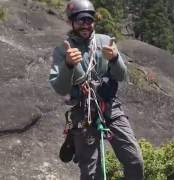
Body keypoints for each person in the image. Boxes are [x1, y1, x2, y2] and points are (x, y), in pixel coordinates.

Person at [48, 0, 144, 179]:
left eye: (89, 20)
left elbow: (122, 75)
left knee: (135, 160)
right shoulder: (63, 50)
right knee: (92, 173)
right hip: (83, 112)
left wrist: (115, 59)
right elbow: (60, 88)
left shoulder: (105, 42)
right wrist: (68, 65)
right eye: (80, 20)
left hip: (110, 107)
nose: (85, 24)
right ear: (71, 22)